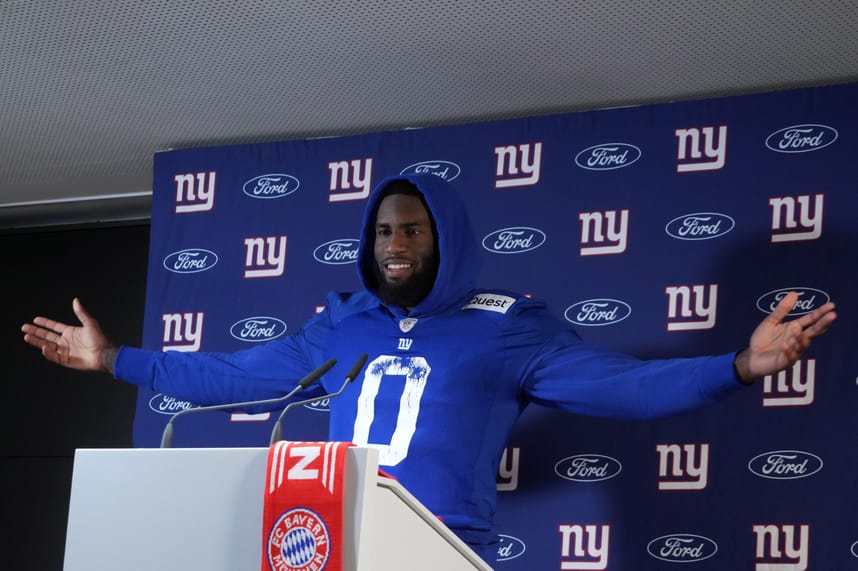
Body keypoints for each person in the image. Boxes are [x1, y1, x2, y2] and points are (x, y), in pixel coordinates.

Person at [22, 174, 836, 566]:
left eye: (411, 230)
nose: (394, 246)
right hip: (332, 547)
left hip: (439, 553)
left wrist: (737, 364)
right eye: (382, 232)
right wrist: (117, 359)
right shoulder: (342, 326)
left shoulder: (506, 330)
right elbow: (238, 376)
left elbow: (626, 386)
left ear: (444, 236)